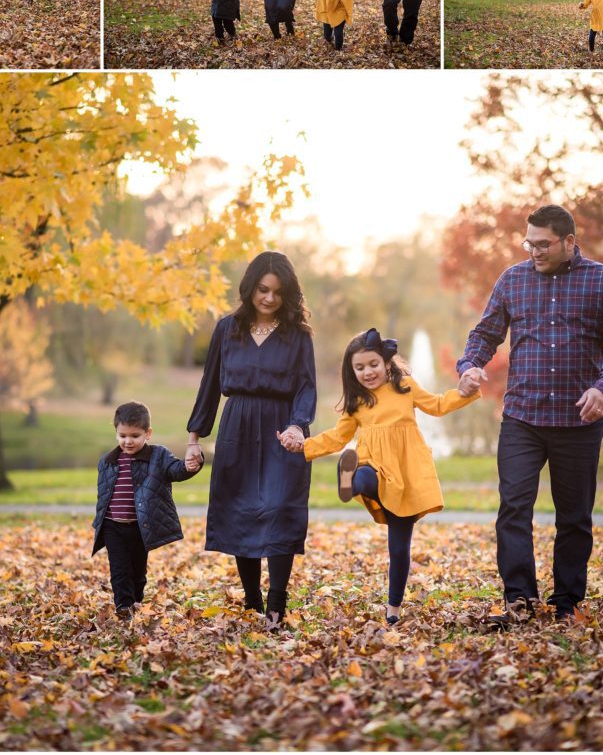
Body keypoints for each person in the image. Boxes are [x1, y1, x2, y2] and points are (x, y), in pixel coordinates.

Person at [456, 205, 603, 629]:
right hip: (523, 417)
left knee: (574, 516)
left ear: (569, 242)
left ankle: (567, 602)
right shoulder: (513, 280)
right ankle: (520, 598)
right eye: (528, 243)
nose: (533, 251)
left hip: (579, 418)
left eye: (543, 244)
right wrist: (469, 366)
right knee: (513, 509)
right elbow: (485, 333)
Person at [280, 328, 478, 624]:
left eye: (373, 364)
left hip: (406, 472)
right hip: (373, 464)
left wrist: (464, 393)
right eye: (359, 368)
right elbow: (338, 436)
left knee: (399, 548)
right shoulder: (357, 401)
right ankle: (349, 480)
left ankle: (394, 610)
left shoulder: (405, 386)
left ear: (387, 363)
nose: (367, 372)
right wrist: (304, 446)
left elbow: (436, 405)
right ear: (352, 371)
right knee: (366, 478)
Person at [185, 251, 316, 629]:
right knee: (242, 510)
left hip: (280, 430)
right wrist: (194, 438)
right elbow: (209, 385)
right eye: (263, 289)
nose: (269, 298)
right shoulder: (228, 328)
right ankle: (252, 601)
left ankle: (277, 605)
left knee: (279, 509)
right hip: (237, 427)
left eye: (277, 292)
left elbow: (307, 386)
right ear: (250, 288)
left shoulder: (298, 336)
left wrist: (298, 425)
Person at [91, 402, 203, 620]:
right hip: (113, 526)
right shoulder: (108, 461)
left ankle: (136, 602)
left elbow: (175, 471)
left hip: (140, 527)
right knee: (119, 569)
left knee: (138, 571)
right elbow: (103, 495)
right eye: (122, 435)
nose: (128, 441)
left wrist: (190, 466)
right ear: (116, 433)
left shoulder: (158, 456)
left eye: (135, 435)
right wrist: (99, 522)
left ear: (148, 433)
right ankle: (123, 607)